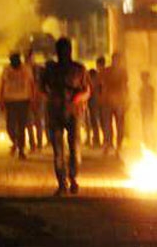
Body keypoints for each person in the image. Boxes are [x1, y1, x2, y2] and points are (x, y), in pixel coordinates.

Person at [42, 38, 88, 196]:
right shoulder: (50, 69)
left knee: (74, 148)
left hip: (73, 112)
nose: (63, 53)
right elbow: (42, 88)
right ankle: (62, 182)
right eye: (61, 50)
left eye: (65, 49)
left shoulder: (79, 68)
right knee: (58, 151)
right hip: (55, 113)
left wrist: (76, 98)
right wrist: (51, 96)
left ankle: (72, 178)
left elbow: (86, 90)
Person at [0, 53, 34, 159]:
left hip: (24, 100)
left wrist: (33, 98)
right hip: (10, 101)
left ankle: (21, 150)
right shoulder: (7, 69)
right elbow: (3, 84)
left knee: (22, 126)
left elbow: (32, 84)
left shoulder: (26, 69)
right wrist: (1, 99)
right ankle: (16, 142)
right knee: (10, 126)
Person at [102, 52, 129, 158]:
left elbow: (124, 87)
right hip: (111, 100)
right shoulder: (111, 71)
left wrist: (126, 100)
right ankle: (110, 145)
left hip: (117, 101)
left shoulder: (121, 72)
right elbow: (103, 85)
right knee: (110, 125)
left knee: (118, 125)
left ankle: (117, 146)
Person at [24, 51, 45, 152]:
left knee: (37, 122)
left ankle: (38, 144)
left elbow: (39, 84)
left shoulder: (38, 69)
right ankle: (33, 144)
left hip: (37, 98)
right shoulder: (24, 69)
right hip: (28, 98)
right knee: (30, 122)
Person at [86, 56, 105, 148]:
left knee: (96, 121)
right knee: (101, 121)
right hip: (100, 101)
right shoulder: (104, 74)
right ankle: (104, 140)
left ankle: (98, 140)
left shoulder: (99, 76)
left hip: (95, 101)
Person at [140, 71, 155, 147]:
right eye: (143, 78)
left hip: (148, 110)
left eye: (144, 78)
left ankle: (150, 141)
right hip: (145, 110)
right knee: (145, 125)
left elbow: (150, 100)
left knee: (148, 125)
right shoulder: (142, 89)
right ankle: (147, 141)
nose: (143, 80)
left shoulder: (150, 89)